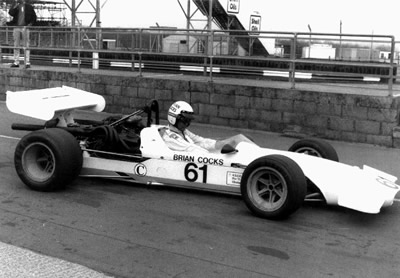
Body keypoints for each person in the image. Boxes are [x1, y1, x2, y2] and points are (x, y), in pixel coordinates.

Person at [162, 100, 255, 153]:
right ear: (174, 118)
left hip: (198, 154)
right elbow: (191, 149)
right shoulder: (170, 137)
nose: (187, 124)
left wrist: (220, 144)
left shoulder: (183, 131)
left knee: (239, 138)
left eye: (188, 121)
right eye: (185, 120)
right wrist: (215, 153)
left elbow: (201, 141)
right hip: (190, 159)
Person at [8, 0, 37, 68]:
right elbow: (10, 13)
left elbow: (34, 17)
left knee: (26, 45)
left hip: (25, 27)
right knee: (16, 45)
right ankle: (16, 62)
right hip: (16, 27)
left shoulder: (29, 7)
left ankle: (27, 62)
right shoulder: (16, 6)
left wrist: (30, 24)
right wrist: (15, 5)